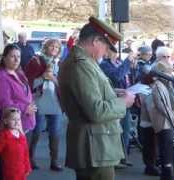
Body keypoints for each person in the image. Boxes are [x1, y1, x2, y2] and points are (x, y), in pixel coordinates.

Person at [58, 16, 135, 180]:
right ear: (95, 41)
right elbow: (95, 111)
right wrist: (123, 103)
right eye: (106, 46)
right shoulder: (81, 64)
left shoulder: (84, 61)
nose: (106, 52)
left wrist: (113, 93)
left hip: (95, 146)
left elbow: (91, 93)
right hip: (94, 149)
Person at [24, 39, 63, 171]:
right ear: (45, 47)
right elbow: (27, 83)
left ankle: (55, 161)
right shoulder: (36, 61)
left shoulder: (60, 63)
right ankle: (30, 158)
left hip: (55, 102)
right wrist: (42, 78)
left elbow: (63, 85)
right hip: (39, 100)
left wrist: (54, 79)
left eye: (57, 47)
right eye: (52, 45)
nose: (54, 48)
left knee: (56, 131)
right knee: (36, 130)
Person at [0, 44, 36, 135]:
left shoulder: (18, 72)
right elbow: (3, 103)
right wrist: (25, 108)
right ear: (4, 58)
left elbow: (26, 93)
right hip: (13, 126)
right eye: (12, 56)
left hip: (25, 122)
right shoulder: (0, 77)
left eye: (18, 56)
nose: (16, 59)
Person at [147, 60, 174, 180]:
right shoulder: (158, 86)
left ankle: (168, 174)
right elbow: (162, 107)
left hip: (167, 124)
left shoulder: (165, 85)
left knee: (169, 153)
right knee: (166, 154)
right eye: (168, 72)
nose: (170, 75)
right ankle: (167, 176)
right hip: (163, 124)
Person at [0, 107, 31, 180]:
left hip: (21, 171)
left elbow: (26, 153)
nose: (17, 122)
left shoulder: (21, 135)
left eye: (18, 119)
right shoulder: (4, 135)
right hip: (10, 172)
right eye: (13, 119)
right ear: (5, 121)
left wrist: (27, 167)